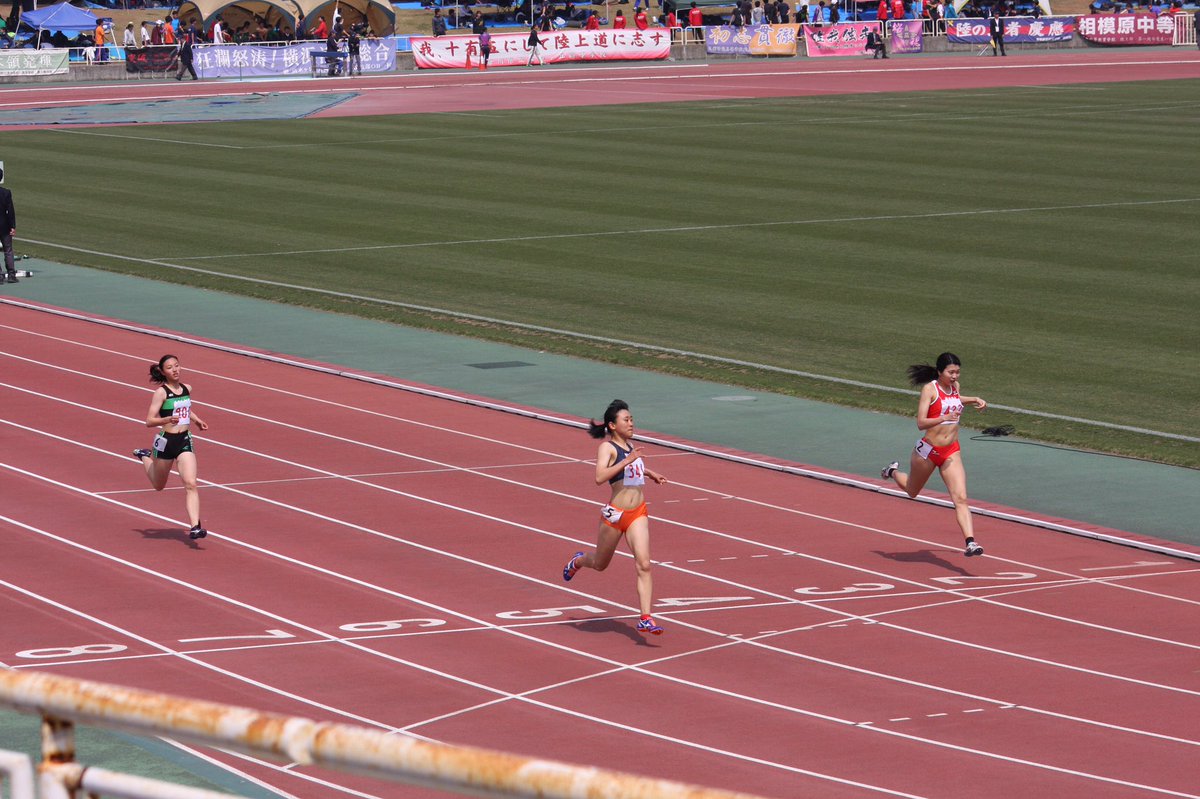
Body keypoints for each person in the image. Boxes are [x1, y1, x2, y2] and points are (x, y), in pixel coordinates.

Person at [562, 400, 668, 635]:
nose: (631, 423)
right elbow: (600, 477)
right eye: (626, 420)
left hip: (638, 512)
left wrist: (650, 473)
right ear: (612, 425)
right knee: (600, 564)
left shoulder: (631, 448)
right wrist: (626, 461)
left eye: (631, 419)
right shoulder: (608, 449)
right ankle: (579, 560)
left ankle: (645, 617)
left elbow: (632, 471)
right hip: (615, 515)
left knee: (645, 564)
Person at [881, 353, 988, 557]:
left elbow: (956, 399)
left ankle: (971, 542)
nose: (955, 376)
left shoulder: (955, 387)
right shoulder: (930, 389)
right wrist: (944, 417)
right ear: (940, 372)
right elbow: (921, 423)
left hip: (951, 451)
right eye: (951, 372)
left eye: (957, 372)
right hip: (928, 452)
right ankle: (892, 471)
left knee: (961, 498)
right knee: (912, 491)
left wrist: (974, 399)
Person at [132, 355, 210, 540]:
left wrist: (196, 420)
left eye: (177, 365)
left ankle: (195, 527)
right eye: (170, 367)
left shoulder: (186, 388)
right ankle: (144, 456)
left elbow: (185, 407)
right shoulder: (161, 393)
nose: (175, 370)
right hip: (166, 441)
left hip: (184, 440)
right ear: (163, 371)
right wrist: (167, 419)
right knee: (159, 485)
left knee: (191, 483)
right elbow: (149, 421)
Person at [0, 176, 16, 284]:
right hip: (4, 225)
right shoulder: (6, 193)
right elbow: (10, 211)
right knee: (8, 250)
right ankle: (11, 275)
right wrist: (12, 226)